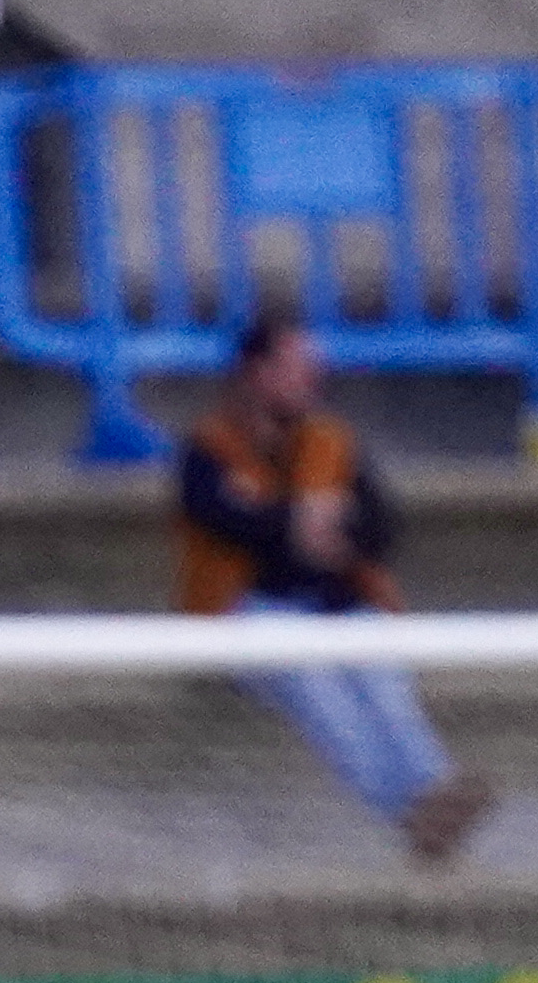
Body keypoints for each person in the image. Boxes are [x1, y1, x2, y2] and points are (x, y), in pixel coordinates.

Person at [175, 314, 495, 864]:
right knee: (321, 695)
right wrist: (298, 521)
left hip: (340, 602)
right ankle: (415, 813)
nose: (311, 379)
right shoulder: (208, 447)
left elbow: (379, 528)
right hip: (253, 610)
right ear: (258, 372)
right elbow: (223, 520)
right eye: (297, 367)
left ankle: (433, 796)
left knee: (386, 690)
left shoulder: (332, 440)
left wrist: (329, 535)